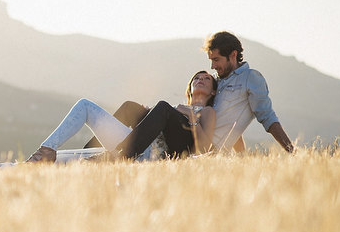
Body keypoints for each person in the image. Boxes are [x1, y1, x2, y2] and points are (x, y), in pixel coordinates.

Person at [0, 70, 217, 166]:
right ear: (189, 86)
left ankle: (112, 156)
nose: (200, 79)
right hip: (136, 148)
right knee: (60, 156)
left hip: (153, 158)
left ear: (213, 91)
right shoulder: (173, 108)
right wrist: (147, 114)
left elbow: (205, 147)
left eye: (206, 79)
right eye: (196, 77)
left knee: (161, 107)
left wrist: (189, 117)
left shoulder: (206, 112)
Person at [114, 31, 294, 158]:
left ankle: (120, 156)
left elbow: (267, 118)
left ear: (233, 55)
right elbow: (232, 124)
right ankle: (93, 155)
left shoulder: (251, 78)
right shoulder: (218, 81)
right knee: (134, 109)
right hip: (188, 136)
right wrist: (242, 156)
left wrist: (292, 152)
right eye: (211, 60)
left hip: (204, 148)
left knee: (163, 108)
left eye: (216, 60)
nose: (212, 67)